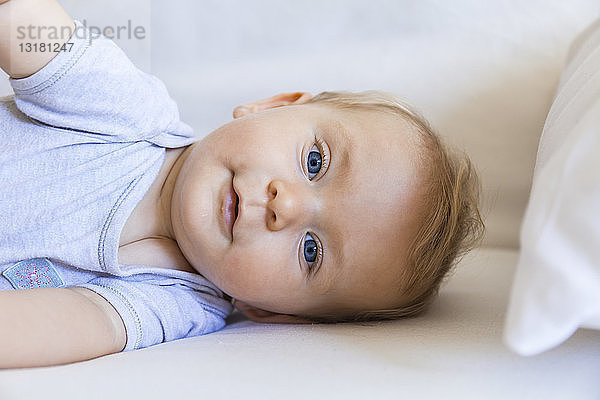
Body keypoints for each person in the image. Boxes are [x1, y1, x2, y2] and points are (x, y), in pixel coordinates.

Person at [0, 0, 484, 368]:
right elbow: (29, 29)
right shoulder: (131, 115)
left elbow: (46, 327)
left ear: (278, 314)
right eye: (314, 162)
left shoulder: (173, 305)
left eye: (311, 250)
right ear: (273, 106)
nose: (286, 206)